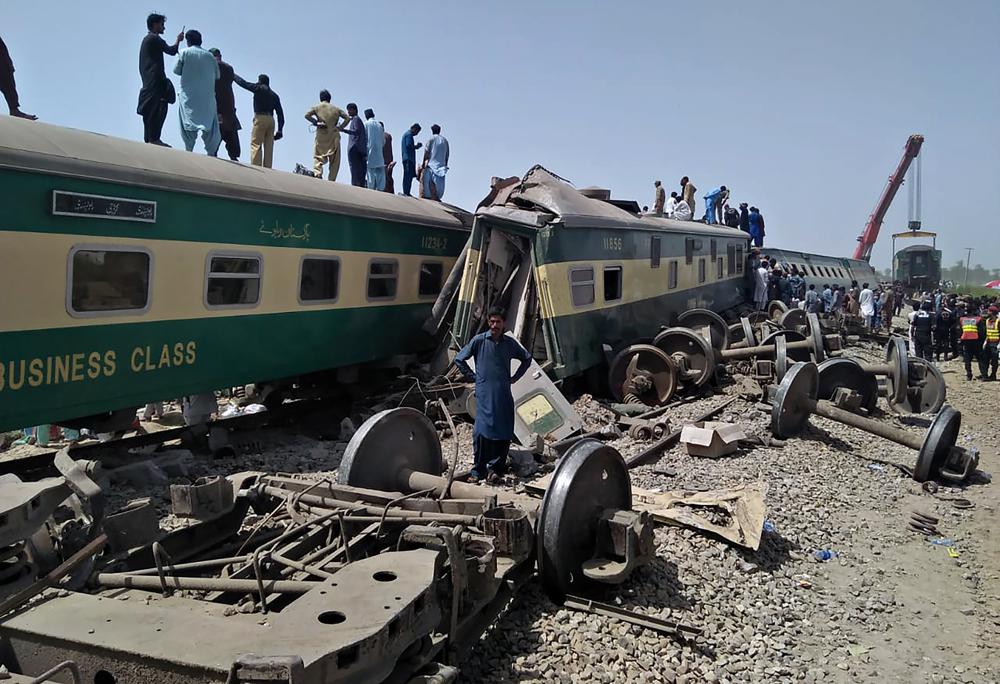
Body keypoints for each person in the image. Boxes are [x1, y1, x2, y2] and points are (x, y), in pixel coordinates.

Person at [453, 307, 532, 483]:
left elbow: (526, 358)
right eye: (492, 321)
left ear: (504, 323)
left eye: (498, 322)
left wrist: (515, 377)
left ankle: (495, 469)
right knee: (481, 431)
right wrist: (473, 377)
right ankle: (478, 470)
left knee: (504, 430)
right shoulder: (479, 341)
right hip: (484, 393)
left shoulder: (509, 344)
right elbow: (459, 358)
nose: (494, 325)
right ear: (488, 322)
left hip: (503, 392)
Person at [137, 14, 183, 145]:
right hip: (155, 81)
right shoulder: (154, 38)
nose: (163, 27)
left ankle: (150, 138)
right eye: (162, 24)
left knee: (151, 108)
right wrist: (178, 40)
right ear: (155, 24)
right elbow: (172, 50)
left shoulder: (148, 39)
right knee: (159, 108)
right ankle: (154, 139)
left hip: (150, 80)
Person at [172, 30, 220, 156]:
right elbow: (217, 76)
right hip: (207, 99)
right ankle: (211, 154)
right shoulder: (211, 57)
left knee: (187, 126)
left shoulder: (184, 53)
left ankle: (188, 152)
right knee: (210, 128)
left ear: (188, 41)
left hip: (189, 97)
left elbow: (176, 71)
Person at [234, 73, 283, 168]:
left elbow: (243, 83)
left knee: (256, 144)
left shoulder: (258, 88)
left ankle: (256, 167)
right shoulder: (275, 95)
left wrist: (233, 75)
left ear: (260, 81)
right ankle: (268, 168)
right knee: (269, 147)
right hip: (271, 121)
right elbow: (280, 114)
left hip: (260, 118)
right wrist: (280, 130)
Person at [304, 90, 349, 180]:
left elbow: (306, 115)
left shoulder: (317, 107)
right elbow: (347, 118)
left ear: (320, 98)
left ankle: (318, 173)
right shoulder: (336, 109)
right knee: (335, 160)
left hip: (321, 135)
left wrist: (316, 122)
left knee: (318, 155)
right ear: (329, 98)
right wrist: (340, 127)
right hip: (333, 135)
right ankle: (331, 179)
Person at [208, 48, 240, 161]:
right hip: (229, 108)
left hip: (217, 107)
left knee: (215, 138)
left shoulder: (211, 67)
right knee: (231, 135)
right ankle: (234, 157)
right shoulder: (229, 68)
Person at [0, 35, 37, 120]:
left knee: (9, 87)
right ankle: (14, 110)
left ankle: (14, 110)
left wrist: (9, 64)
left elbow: (3, 50)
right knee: (8, 86)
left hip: (4, 65)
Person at [422, 124, 449, 201]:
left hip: (431, 165)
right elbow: (447, 155)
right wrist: (445, 164)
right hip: (441, 166)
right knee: (439, 187)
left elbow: (426, 152)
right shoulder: (445, 141)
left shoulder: (431, 139)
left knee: (428, 188)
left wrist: (424, 162)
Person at [343, 103, 367, 187]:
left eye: (349, 110)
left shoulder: (356, 119)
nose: (348, 112)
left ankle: (356, 187)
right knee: (357, 170)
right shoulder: (355, 120)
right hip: (358, 149)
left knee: (354, 169)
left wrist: (343, 130)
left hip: (355, 148)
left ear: (354, 110)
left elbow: (356, 132)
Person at [958, 306, 984, 380]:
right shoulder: (978, 319)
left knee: (967, 359)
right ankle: (983, 374)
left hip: (966, 341)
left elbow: (960, 331)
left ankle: (969, 375)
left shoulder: (962, 319)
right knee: (980, 359)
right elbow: (982, 332)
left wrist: (960, 341)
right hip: (976, 341)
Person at [363, 109, 385, 191]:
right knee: (380, 174)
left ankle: (371, 191)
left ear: (366, 116)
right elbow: (383, 141)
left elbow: (364, 139)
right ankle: (381, 190)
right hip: (379, 153)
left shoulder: (366, 124)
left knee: (370, 174)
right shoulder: (379, 125)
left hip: (370, 152)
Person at [400, 124, 422, 196]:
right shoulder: (409, 135)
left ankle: (407, 192)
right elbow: (409, 145)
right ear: (413, 129)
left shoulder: (407, 134)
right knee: (407, 176)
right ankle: (406, 192)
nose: (416, 134)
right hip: (408, 158)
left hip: (408, 158)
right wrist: (416, 146)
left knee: (409, 176)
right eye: (417, 131)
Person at [979, 306, 999, 381]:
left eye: (989, 311)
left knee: (994, 362)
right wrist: (985, 342)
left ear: (992, 312)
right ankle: (985, 375)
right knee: (985, 360)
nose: (987, 313)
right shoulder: (987, 321)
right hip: (988, 343)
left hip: (995, 344)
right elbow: (987, 333)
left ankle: (993, 374)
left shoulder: (998, 321)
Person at [382, 126, 395, 193]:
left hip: (382, 159)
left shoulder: (380, 136)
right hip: (389, 159)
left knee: (383, 177)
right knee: (389, 176)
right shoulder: (388, 135)